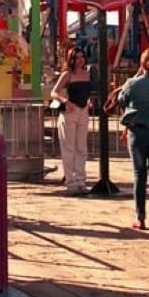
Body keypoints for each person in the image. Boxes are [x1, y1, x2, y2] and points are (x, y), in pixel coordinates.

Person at [110, 47, 149, 231]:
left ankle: (140, 218)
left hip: (137, 134)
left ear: (142, 63)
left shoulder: (131, 83)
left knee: (139, 176)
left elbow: (120, 100)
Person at [50, 45, 92, 194]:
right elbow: (54, 92)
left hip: (83, 111)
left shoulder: (88, 74)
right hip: (70, 112)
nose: (80, 60)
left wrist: (89, 101)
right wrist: (65, 101)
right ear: (71, 60)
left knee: (81, 147)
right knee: (69, 147)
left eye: (82, 57)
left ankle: (81, 180)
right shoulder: (67, 74)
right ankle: (70, 181)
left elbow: (89, 92)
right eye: (77, 58)